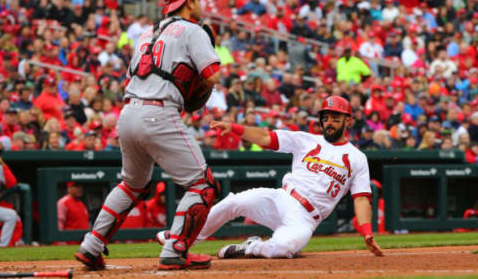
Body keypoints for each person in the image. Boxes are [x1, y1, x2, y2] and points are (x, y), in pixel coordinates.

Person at [75, 0, 221, 271]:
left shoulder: (146, 34)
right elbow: (212, 75)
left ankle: (91, 245)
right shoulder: (193, 30)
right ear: (189, 1)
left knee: (132, 184)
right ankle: (175, 247)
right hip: (159, 113)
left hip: (128, 113)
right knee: (203, 185)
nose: (202, 3)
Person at [157, 96, 384, 259]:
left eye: (336, 117)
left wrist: (366, 232)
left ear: (348, 121)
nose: (329, 122)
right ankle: (181, 239)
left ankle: (250, 247)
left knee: (281, 249)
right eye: (326, 117)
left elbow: (361, 198)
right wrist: (234, 128)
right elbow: (266, 137)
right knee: (233, 201)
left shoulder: (356, 157)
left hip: (306, 218)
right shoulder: (307, 140)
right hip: (281, 199)